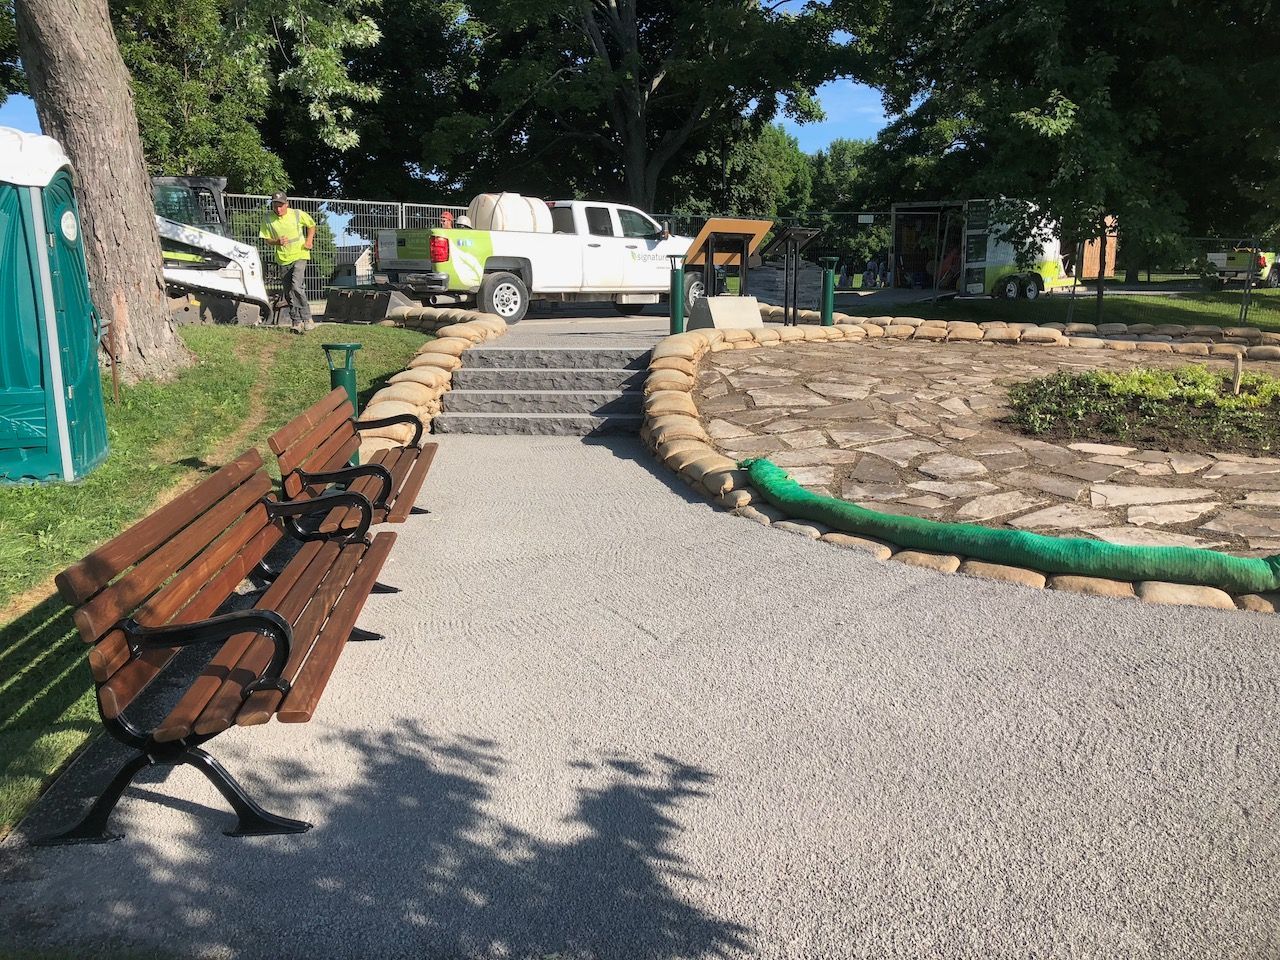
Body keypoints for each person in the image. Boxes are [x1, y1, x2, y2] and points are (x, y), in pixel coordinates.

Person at [259, 191, 316, 333]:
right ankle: (296, 321)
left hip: (300, 254)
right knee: (288, 292)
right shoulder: (267, 218)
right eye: (275, 206)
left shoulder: (297, 214)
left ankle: (307, 318)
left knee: (296, 286)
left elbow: (311, 225)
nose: (278, 209)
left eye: (281, 205)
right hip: (283, 259)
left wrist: (309, 240)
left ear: (287, 204)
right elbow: (266, 239)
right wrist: (276, 241)